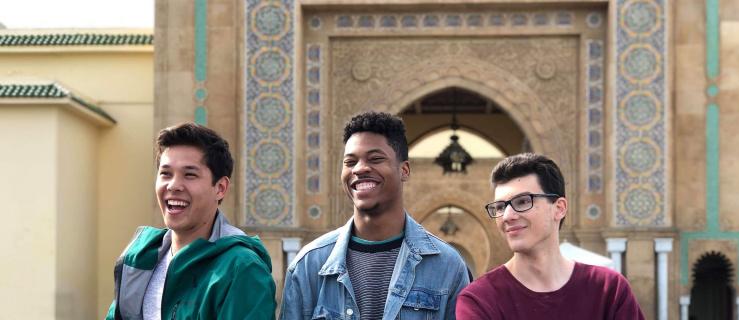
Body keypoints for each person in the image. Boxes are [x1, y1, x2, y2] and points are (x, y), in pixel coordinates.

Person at [280, 111, 470, 320]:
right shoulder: (309, 265)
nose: (360, 169)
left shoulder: (447, 265)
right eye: (350, 162)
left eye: (375, 159)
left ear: (404, 170)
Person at [105, 123, 276, 320]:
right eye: (165, 173)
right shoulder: (140, 258)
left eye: (190, 175)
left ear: (220, 187)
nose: (174, 185)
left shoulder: (242, 269)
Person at [456, 153, 644, 319]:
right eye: (500, 207)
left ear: (559, 208)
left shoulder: (609, 290)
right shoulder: (480, 299)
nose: (507, 216)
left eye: (522, 202)